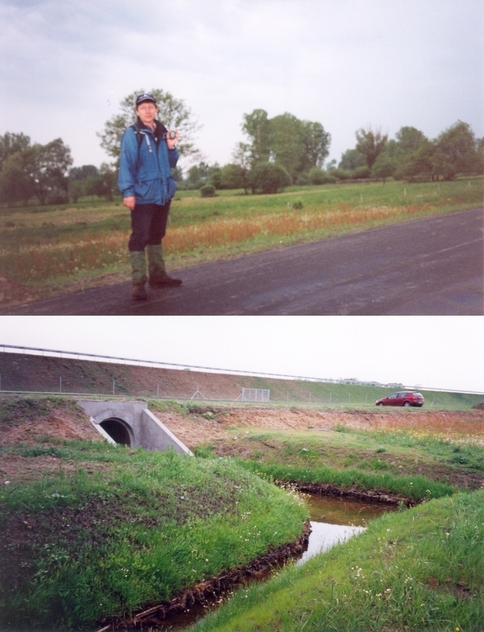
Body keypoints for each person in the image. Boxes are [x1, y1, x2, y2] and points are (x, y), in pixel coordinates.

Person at [118, 93, 182, 300]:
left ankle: (158, 276)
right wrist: (128, 192)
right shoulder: (133, 133)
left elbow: (171, 163)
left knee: (157, 234)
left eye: (151, 107)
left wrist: (171, 146)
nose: (147, 110)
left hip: (162, 193)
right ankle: (138, 283)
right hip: (143, 194)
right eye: (143, 107)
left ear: (157, 109)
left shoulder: (162, 132)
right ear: (137, 111)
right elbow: (126, 164)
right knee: (139, 237)